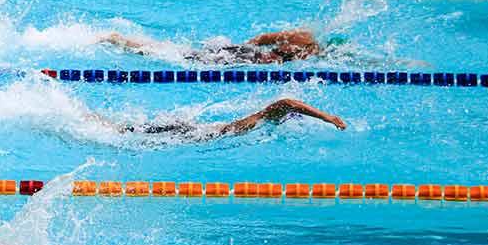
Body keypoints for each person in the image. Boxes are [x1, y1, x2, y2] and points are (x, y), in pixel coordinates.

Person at [89, 98, 346, 142]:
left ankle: (98, 122)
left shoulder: (261, 122)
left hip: (196, 131)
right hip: (195, 134)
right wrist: (326, 117)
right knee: (123, 133)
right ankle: (95, 122)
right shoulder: (264, 117)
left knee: (128, 131)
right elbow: (287, 103)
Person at [100, 28, 330, 64]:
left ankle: (123, 40)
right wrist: (243, 49)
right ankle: (120, 40)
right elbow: (262, 39)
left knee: (181, 53)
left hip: (243, 53)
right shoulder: (305, 41)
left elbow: (262, 39)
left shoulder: (303, 37)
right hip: (242, 56)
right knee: (181, 56)